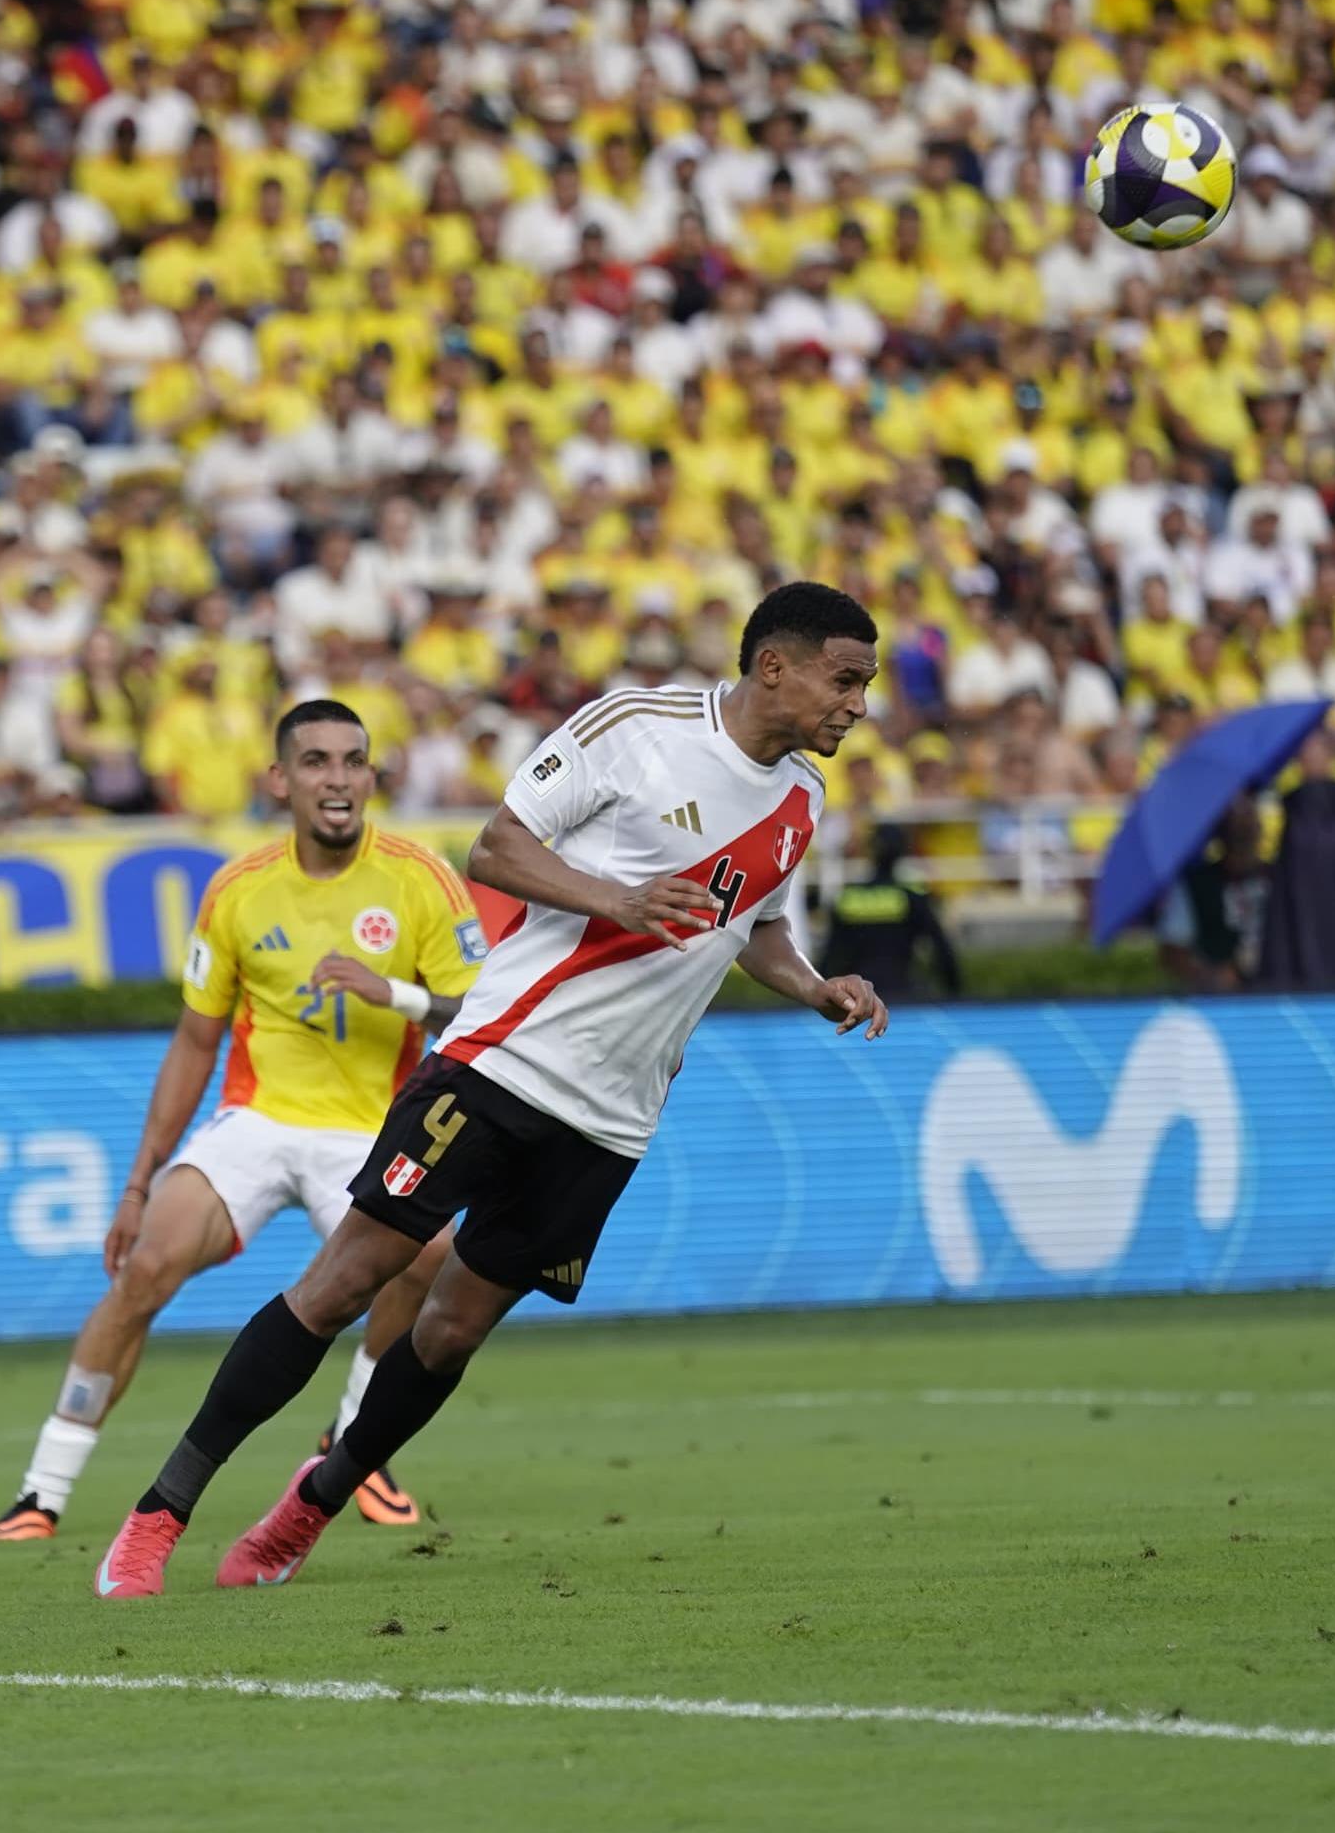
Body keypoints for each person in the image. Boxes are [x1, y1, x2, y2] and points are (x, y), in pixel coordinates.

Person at [96, 583, 891, 1598]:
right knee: (342, 1283)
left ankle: (309, 1505)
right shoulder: (636, 729)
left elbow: (754, 928)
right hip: (499, 1065)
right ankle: (159, 1513)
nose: (856, 705)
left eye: (861, 685)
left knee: (453, 1328)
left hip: (610, 1122)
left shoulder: (802, 801)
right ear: (773, 666)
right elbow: (496, 846)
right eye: (844, 679)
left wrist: (816, 985)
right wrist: (615, 897)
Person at [0, 698, 480, 1542]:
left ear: (371, 777)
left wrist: (388, 992)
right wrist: (138, 1183)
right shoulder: (239, 888)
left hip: (366, 1127)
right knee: (145, 1267)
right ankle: (42, 1491)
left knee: (427, 1258)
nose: (339, 778)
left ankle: (354, 1442)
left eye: (354, 761)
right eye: (317, 761)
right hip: (256, 1119)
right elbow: (193, 1043)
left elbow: (482, 1014)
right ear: (279, 780)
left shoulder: (419, 877)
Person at [816, 824, 962, 1000]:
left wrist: (821, 998)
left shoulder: (846, 898)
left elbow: (829, 957)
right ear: (902, 852)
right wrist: (955, 995)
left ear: (871, 852)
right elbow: (942, 953)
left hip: (858, 1000)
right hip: (903, 994)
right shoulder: (912, 899)